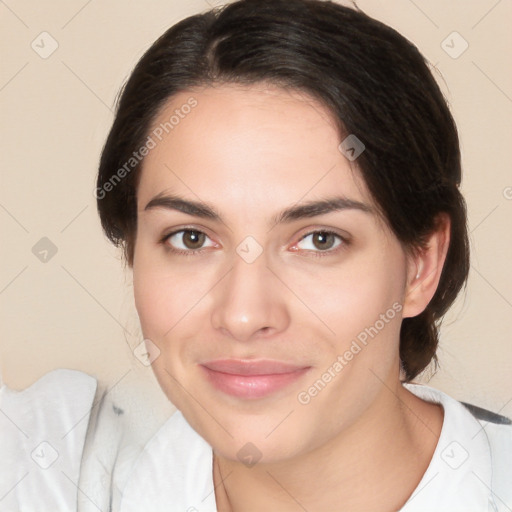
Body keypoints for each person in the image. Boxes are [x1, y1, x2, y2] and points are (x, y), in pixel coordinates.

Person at [1, 0, 510, 511]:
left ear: (421, 265)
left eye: (319, 240)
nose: (244, 315)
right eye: (191, 238)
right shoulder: (48, 473)